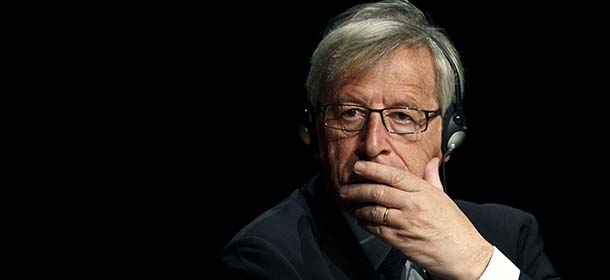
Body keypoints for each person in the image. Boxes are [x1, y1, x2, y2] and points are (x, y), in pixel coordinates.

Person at [219, 1, 559, 279]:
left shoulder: (510, 236)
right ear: (316, 134)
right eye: (350, 113)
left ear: (448, 139)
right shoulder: (267, 258)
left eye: (403, 116)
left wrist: (478, 266)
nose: (373, 143)